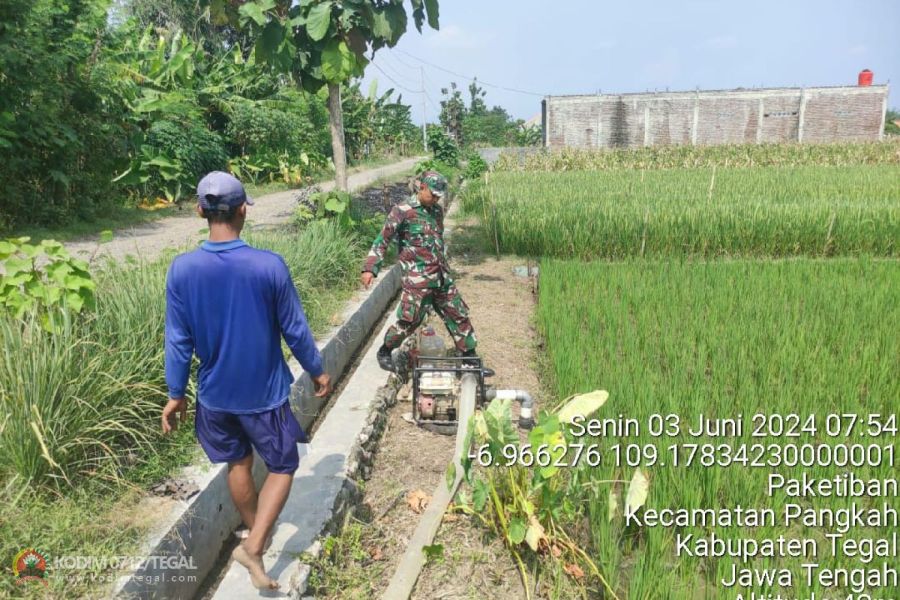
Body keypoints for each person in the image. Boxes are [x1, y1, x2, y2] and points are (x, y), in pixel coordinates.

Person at [161, 171, 331, 590]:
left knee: (238, 462)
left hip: (215, 397)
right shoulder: (267, 265)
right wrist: (316, 369)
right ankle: (254, 545)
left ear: (200, 211)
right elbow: (294, 328)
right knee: (284, 464)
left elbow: (178, 340)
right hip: (263, 395)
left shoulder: (181, 270)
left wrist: (176, 393)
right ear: (243, 210)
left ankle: (258, 537)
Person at [361, 170, 478, 371]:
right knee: (410, 320)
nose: (436, 199)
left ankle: (469, 356)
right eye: (432, 195)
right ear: (422, 188)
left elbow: (436, 241)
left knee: (457, 313)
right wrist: (370, 268)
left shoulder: (436, 211)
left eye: (439, 196)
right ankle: (385, 350)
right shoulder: (402, 211)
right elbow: (382, 240)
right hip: (418, 279)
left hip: (441, 275)